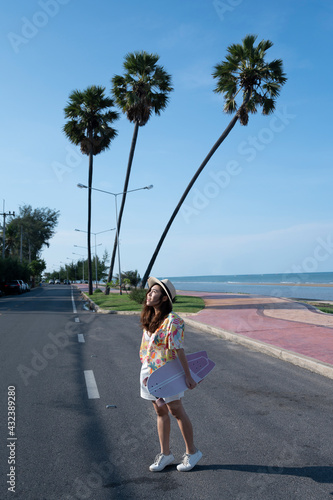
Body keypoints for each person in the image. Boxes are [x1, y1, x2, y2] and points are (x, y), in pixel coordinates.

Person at [139, 276, 202, 472]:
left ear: (164, 298)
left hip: (166, 374)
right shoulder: (149, 318)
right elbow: (145, 347)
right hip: (149, 374)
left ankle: (192, 452)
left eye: (155, 292)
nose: (150, 294)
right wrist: (145, 369)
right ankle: (165, 454)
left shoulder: (173, 321)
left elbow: (178, 349)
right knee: (160, 411)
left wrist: (188, 376)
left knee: (176, 411)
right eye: (149, 291)